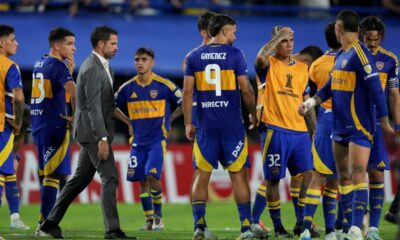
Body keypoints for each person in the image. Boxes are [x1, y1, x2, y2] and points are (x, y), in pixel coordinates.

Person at [299, 10, 393, 240]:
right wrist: (311, 102)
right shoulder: (342, 55)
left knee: (359, 174)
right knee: (344, 178)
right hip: (339, 128)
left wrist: (384, 121)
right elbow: (330, 87)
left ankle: (355, 228)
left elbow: (377, 92)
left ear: (338, 29)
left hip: (359, 127)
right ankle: (346, 228)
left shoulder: (360, 54)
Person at [39, 26, 135, 239]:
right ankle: (112, 230)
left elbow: (107, 105)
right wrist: (102, 138)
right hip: (92, 133)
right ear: (101, 44)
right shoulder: (92, 68)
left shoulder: (106, 68)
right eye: (113, 43)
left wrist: (127, 120)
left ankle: (49, 224)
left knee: (79, 181)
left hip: (93, 131)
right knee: (110, 178)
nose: (117, 48)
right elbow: (92, 107)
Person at [183, 14, 259, 240]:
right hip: (231, 126)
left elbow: (188, 92)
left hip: (206, 125)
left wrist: (188, 122)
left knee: (201, 174)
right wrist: (253, 114)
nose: (235, 36)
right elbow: (246, 90)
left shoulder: (193, 57)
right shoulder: (236, 55)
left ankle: (199, 226)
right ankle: (246, 227)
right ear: (225, 32)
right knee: (238, 174)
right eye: (233, 32)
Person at [252, 44, 322, 236]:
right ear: (309, 61)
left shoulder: (299, 70)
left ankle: (302, 220)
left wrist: (313, 129)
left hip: (297, 129)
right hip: (274, 124)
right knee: (272, 178)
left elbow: (304, 100)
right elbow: (260, 62)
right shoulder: (271, 65)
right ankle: (257, 220)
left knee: (304, 174)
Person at [115, 47, 182, 231]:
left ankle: (159, 217)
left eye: (144, 59)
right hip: (137, 142)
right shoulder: (127, 88)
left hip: (157, 140)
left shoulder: (164, 85)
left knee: (151, 176)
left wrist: (170, 119)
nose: (139, 63)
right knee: (141, 181)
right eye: (137, 59)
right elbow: (111, 106)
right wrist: (127, 121)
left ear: (152, 62)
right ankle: (149, 221)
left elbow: (184, 102)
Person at [29, 27, 76, 236]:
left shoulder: (40, 62)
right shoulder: (58, 66)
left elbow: (52, 91)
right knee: (53, 176)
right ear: (57, 46)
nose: (74, 48)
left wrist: (69, 73)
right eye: (70, 44)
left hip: (38, 124)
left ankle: (43, 223)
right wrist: (76, 115)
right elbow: (72, 91)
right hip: (54, 125)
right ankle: (44, 225)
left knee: (48, 175)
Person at [298, 22, 342, 240]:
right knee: (339, 180)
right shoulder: (354, 59)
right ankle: (334, 231)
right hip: (347, 121)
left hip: (325, 120)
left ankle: (306, 228)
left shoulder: (317, 65)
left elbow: (315, 91)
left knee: (319, 177)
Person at [359, 15, 400, 240]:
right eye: (368, 39)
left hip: (378, 125)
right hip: (355, 124)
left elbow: (394, 94)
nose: (372, 43)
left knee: (376, 175)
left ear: (381, 37)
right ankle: (352, 223)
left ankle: (373, 228)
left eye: (376, 39)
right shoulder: (353, 56)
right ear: (362, 36)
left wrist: (397, 124)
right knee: (352, 176)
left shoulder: (390, 60)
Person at [0, 24, 25, 225]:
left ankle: (15, 217)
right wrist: (17, 122)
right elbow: (18, 96)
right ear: (2, 42)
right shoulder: (9, 66)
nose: (16, 43)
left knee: (7, 171)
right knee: (1, 172)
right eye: (13, 39)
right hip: (2, 126)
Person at [6, 104, 31, 230]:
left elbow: (20, 136)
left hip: (6, 143)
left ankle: (15, 218)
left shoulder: (23, 118)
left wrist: (14, 156)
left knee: (10, 173)